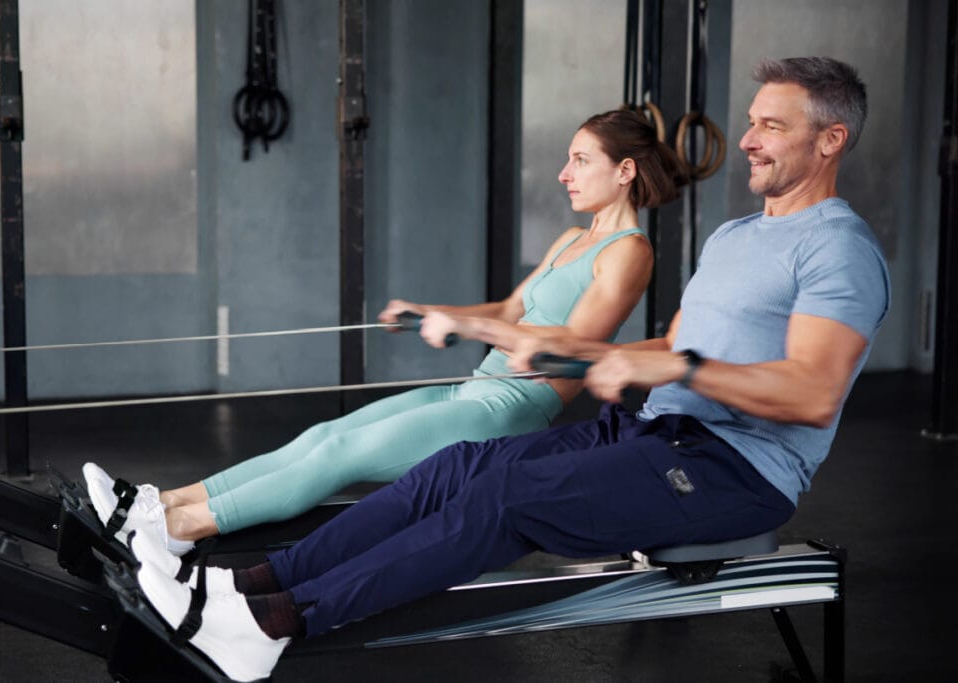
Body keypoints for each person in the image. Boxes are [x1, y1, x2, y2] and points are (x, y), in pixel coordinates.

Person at [130, 55, 891, 681]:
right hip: (655, 430)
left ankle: (269, 628)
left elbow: (812, 391)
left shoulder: (839, 250)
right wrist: (594, 353)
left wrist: (671, 360)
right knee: (453, 467)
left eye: (771, 126)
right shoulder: (732, 237)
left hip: (738, 470)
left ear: (829, 141)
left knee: (507, 498)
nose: (751, 139)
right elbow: (668, 348)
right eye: (753, 121)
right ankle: (242, 586)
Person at [83, 109, 688, 557]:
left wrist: (466, 325)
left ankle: (174, 535)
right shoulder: (571, 240)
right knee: (323, 433)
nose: (563, 174)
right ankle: (156, 504)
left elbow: (568, 353)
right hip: (474, 388)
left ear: (625, 170)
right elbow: (510, 308)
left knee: (342, 458)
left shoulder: (628, 252)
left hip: (509, 409)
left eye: (580, 160)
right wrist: (431, 310)